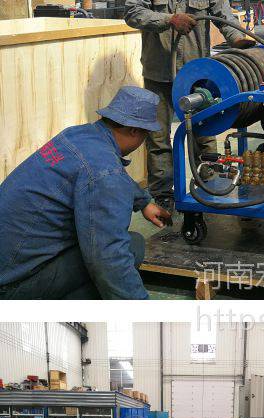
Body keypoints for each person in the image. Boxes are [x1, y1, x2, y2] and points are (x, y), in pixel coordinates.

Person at [0, 86, 171, 300]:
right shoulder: (105, 172)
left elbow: (100, 172)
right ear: (134, 131)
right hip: (10, 286)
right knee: (130, 247)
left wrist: (143, 201)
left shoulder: (77, 135)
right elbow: (109, 258)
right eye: (146, 134)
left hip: (10, 259)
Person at [125, 0, 254, 210]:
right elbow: (132, 13)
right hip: (158, 74)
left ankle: (209, 183)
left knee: (204, 133)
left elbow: (223, 14)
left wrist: (236, 38)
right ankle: (163, 195)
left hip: (196, 74)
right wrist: (169, 20)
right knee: (158, 137)